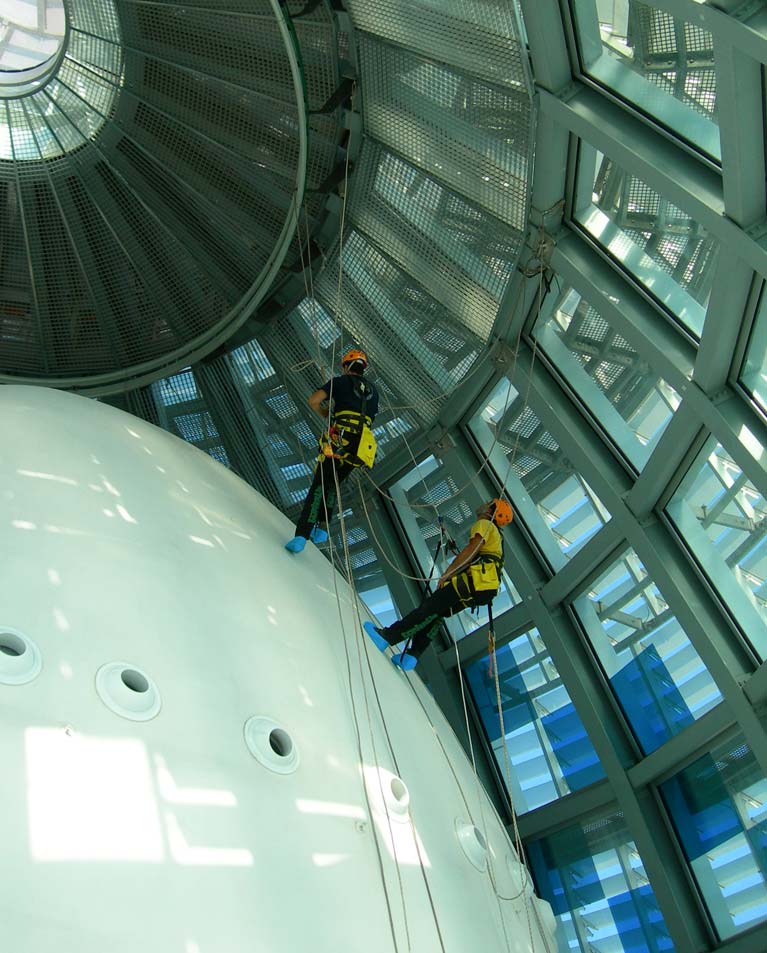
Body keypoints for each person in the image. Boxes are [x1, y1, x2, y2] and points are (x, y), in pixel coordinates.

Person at [363, 498, 513, 669]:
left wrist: (449, 573)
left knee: (429, 608)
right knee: (437, 614)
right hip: (483, 589)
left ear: (492, 511)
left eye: (488, 503)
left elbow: (471, 550)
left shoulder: (486, 524)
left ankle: (387, 637)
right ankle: (412, 655)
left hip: (473, 581)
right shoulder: (498, 538)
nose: (483, 504)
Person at [285, 348, 379, 553]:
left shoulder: (340, 381)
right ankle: (323, 527)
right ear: (362, 368)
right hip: (362, 446)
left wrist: (325, 413)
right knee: (332, 482)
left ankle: (302, 535)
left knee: (320, 484)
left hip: (341, 440)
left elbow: (314, 400)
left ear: (346, 366)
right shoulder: (374, 391)